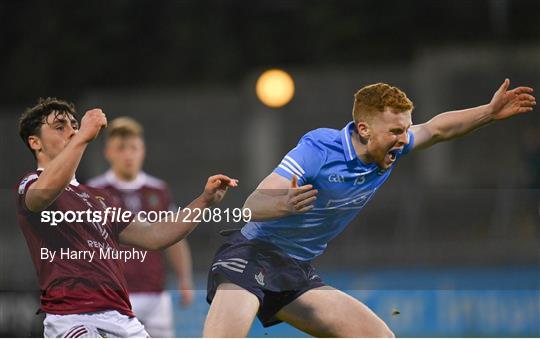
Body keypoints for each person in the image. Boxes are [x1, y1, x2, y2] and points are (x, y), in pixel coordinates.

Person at [204, 79, 535, 337]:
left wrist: (489, 114)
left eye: (406, 129)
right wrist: (283, 203)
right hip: (250, 257)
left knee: (377, 335)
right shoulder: (320, 148)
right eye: (395, 131)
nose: (404, 139)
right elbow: (251, 205)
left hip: (294, 271)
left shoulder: (392, 147)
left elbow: (436, 128)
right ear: (364, 129)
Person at [16, 98, 237, 338]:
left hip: (121, 317)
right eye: (60, 127)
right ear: (35, 142)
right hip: (72, 318)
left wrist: (204, 201)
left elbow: (155, 236)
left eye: (74, 125)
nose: (71, 130)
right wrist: (81, 138)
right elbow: (46, 192)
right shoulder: (31, 184)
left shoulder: (99, 197)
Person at [87, 117, 194, 337]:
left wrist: (185, 278)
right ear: (108, 152)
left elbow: (174, 238)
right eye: (121, 148)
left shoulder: (158, 191)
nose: (128, 155)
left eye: (134, 148)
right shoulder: (94, 191)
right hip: (113, 295)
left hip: (156, 294)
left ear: (143, 151)